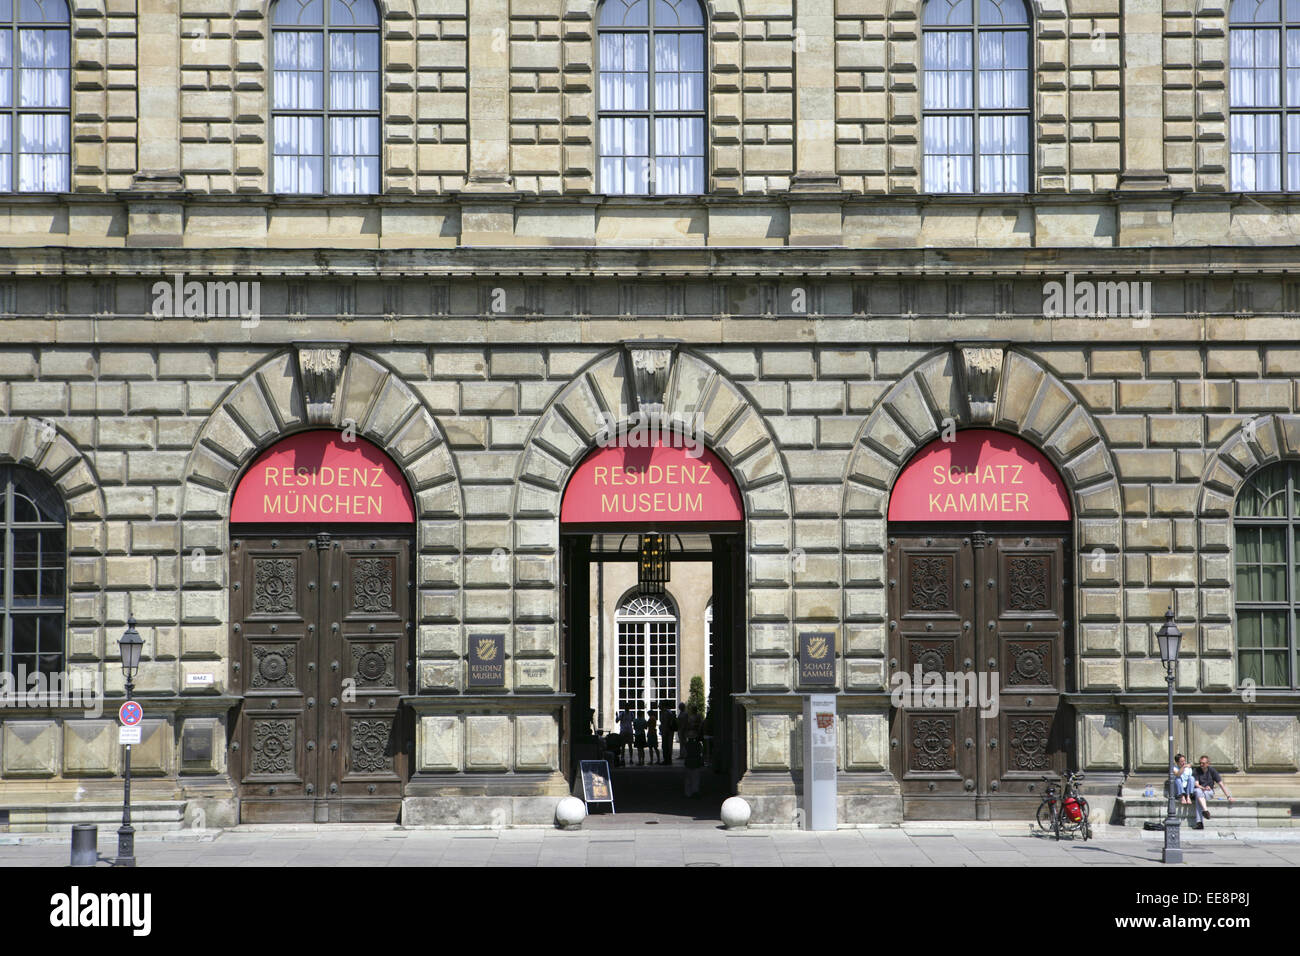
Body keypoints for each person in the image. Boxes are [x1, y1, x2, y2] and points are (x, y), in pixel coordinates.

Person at [1191, 754, 1233, 829]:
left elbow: (1221, 784)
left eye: (1203, 763)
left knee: (1199, 797)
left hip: (1209, 792)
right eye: (1200, 763)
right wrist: (1203, 788)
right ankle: (1205, 811)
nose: (1201, 765)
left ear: (1208, 764)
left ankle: (1199, 823)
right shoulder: (1196, 770)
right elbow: (1196, 784)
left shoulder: (1212, 770)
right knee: (1198, 791)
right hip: (1200, 790)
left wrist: (1228, 796)